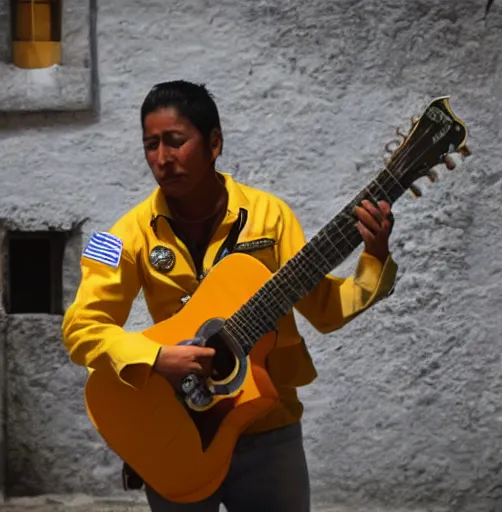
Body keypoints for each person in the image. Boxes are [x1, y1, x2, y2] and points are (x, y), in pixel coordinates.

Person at [62, 80, 400, 512]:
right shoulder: (120, 237)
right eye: (151, 145)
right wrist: (156, 358)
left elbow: (326, 311)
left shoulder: (271, 216)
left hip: (268, 428)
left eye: (176, 142)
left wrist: (374, 256)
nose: (162, 159)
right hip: (174, 434)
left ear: (214, 143)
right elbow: (81, 329)